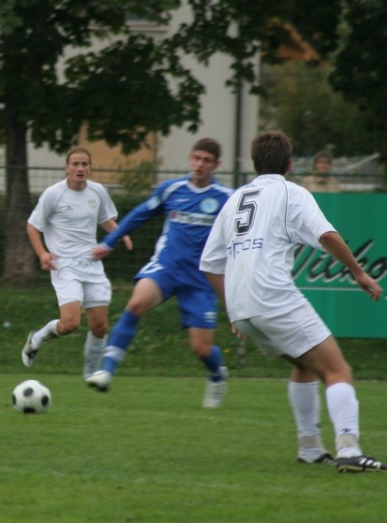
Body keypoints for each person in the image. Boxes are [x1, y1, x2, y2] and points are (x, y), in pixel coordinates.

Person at [200, 131, 387, 472]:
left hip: (243, 305)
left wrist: (232, 307)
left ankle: (309, 447)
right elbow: (328, 236)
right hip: (272, 296)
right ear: (289, 164)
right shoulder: (291, 193)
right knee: (337, 370)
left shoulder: (235, 199)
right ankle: (349, 449)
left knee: (305, 366)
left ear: (256, 164)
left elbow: (210, 265)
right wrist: (359, 273)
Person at [88, 138, 233, 408]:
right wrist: (109, 243)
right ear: (191, 159)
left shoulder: (227, 198)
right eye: (196, 158)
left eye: (206, 160)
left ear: (216, 165)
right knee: (135, 303)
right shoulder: (172, 190)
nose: (200, 164)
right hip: (167, 268)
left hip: (201, 279)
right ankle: (107, 370)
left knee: (201, 349)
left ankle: (217, 375)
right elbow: (139, 214)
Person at [22, 147, 133, 380]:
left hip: (92, 264)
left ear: (90, 167)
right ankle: (38, 337)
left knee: (100, 326)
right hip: (64, 266)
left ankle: (90, 375)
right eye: (76, 164)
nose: (80, 168)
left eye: (85, 164)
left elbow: (106, 219)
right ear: (67, 167)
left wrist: (121, 234)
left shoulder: (98, 192)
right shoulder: (54, 194)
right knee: (71, 324)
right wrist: (42, 254)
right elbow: (32, 226)